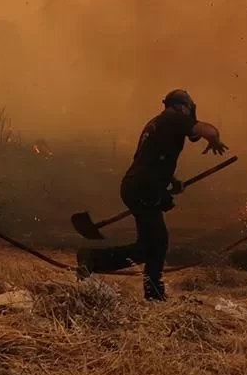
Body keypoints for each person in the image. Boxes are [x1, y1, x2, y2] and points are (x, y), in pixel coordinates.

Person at [77, 89, 228, 301]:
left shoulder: (156, 123)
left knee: (149, 245)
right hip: (143, 188)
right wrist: (214, 138)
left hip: (137, 186)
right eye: (189, 109)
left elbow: (153, 158)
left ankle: (146, 288)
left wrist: (173, 181)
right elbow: (207, 130)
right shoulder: (175, 118)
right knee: (156, 243)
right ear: (182, 106)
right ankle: (97, 260)